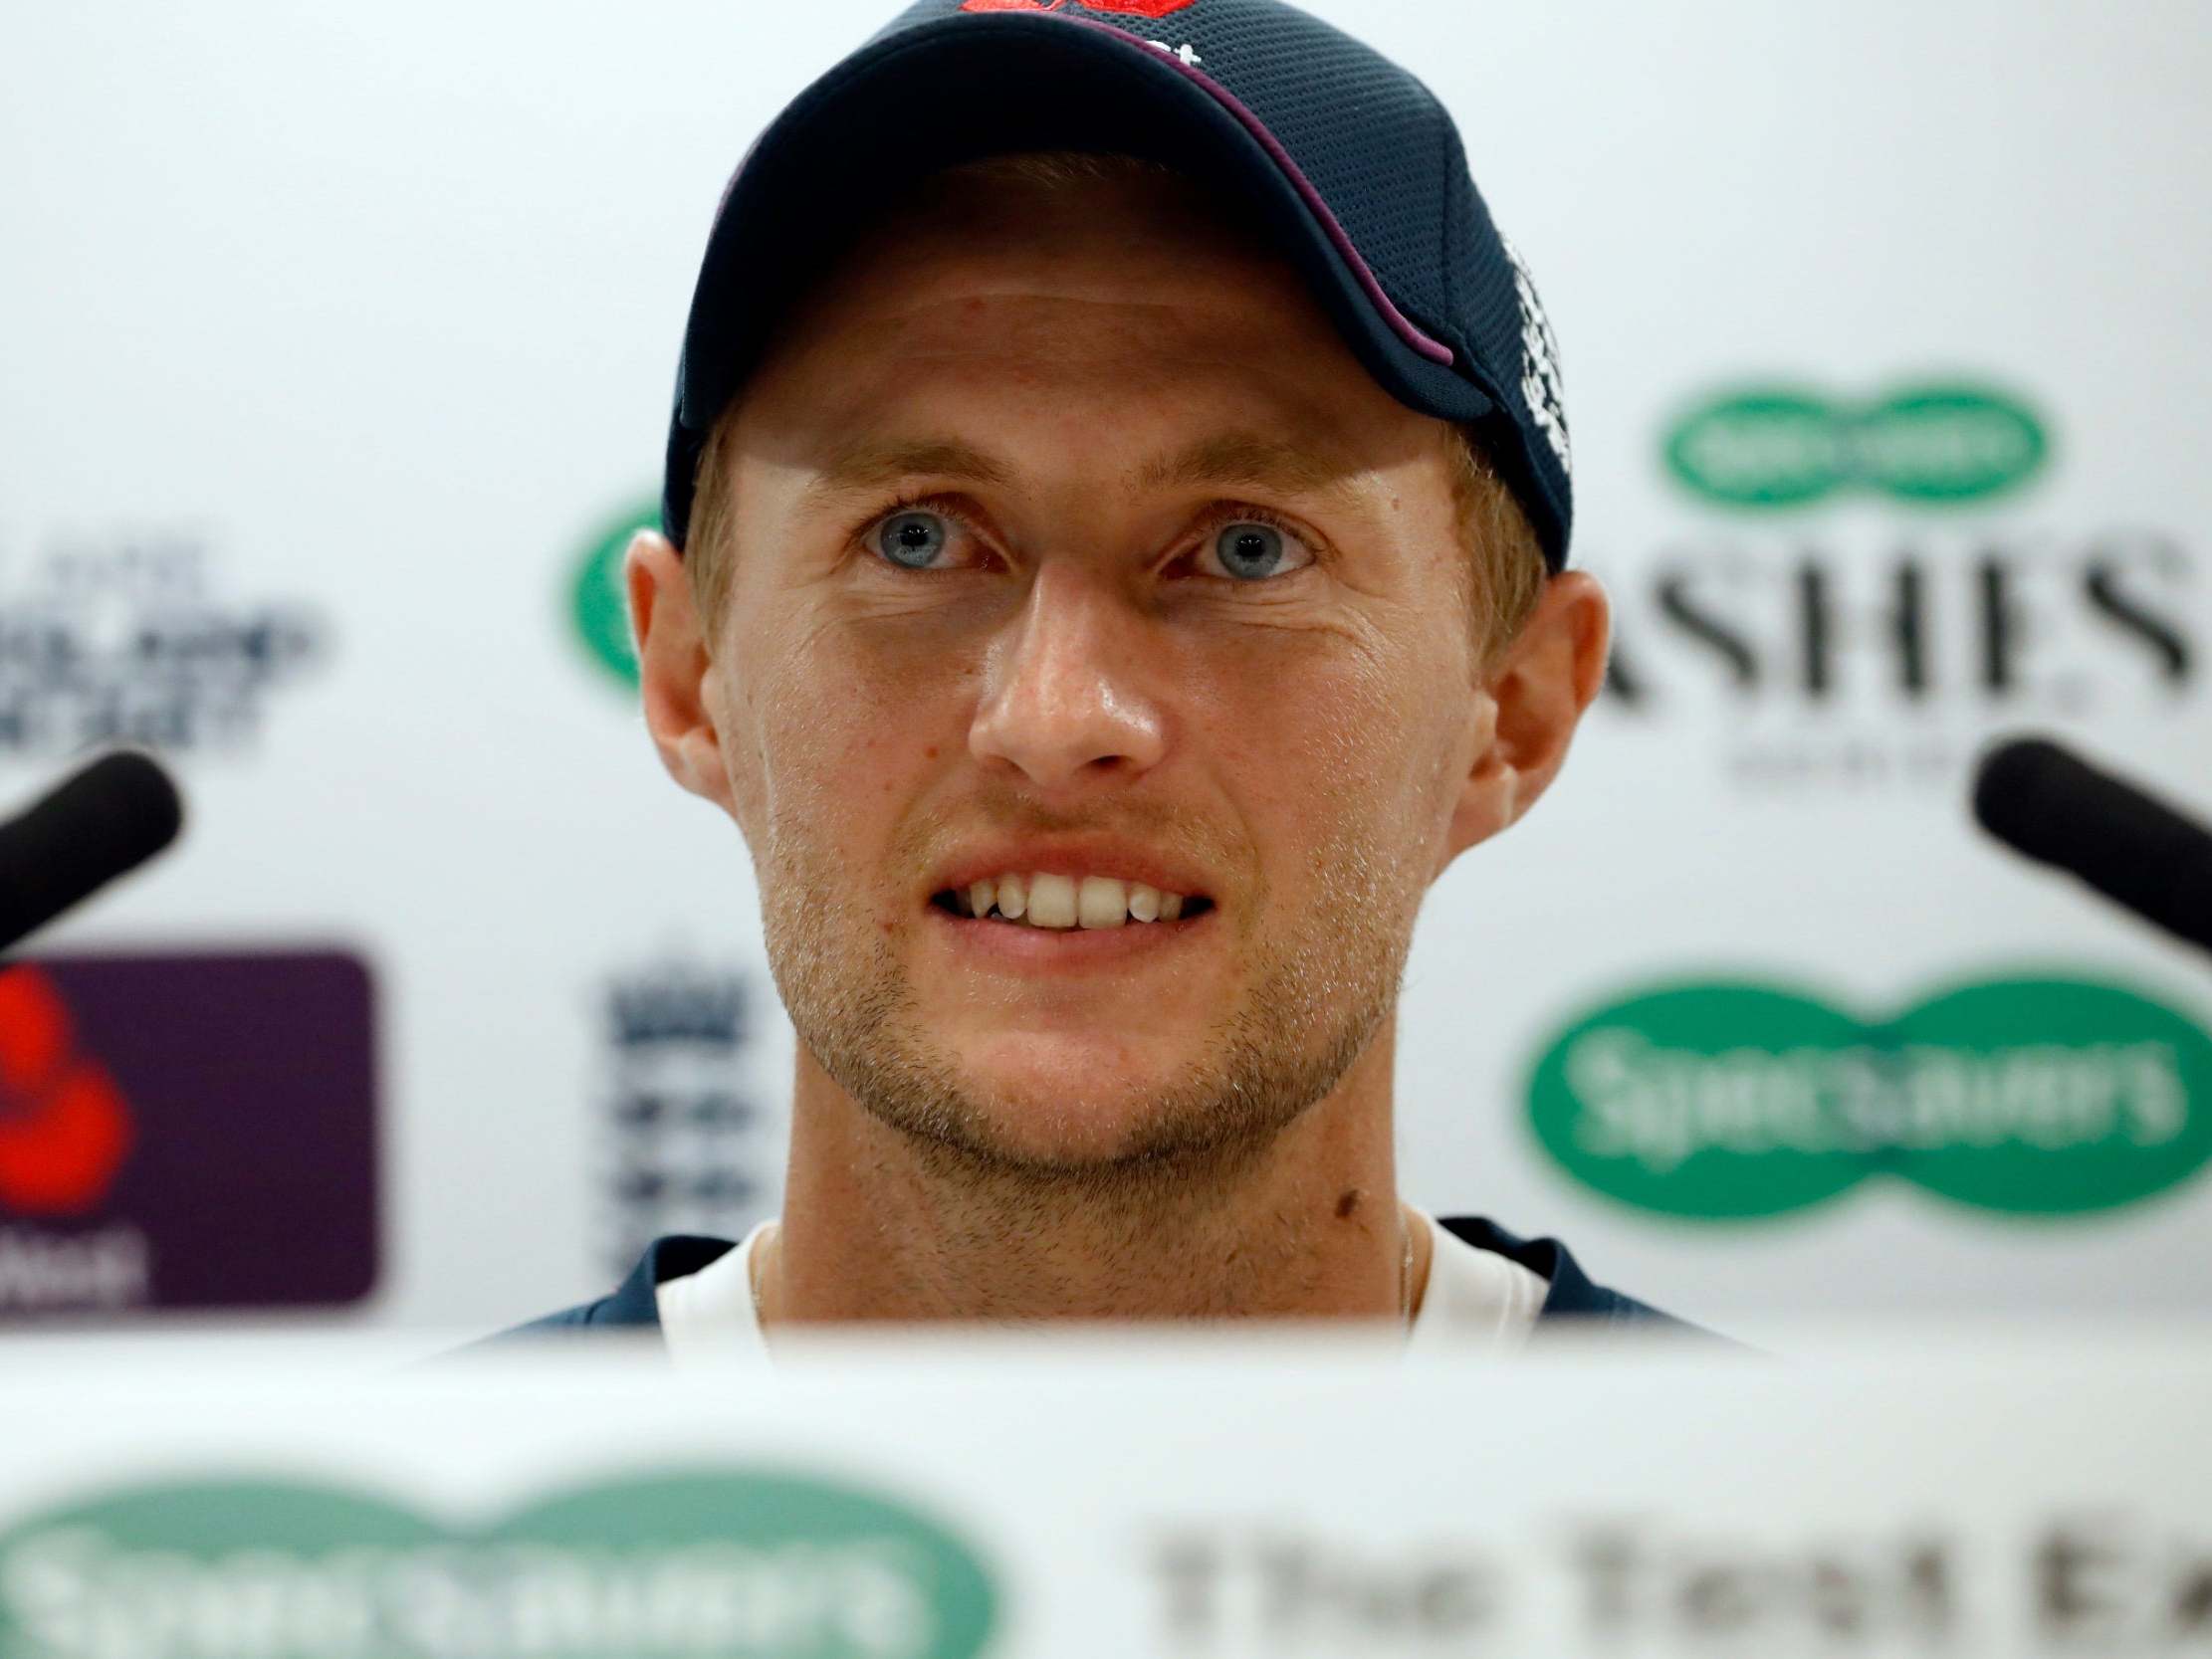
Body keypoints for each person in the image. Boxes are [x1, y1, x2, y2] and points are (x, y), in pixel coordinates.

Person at [505, 0, 1700, 1358]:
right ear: (688, 674)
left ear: (1518, 712)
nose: (1058, 719)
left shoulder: (1822, 1551)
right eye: (917, 537)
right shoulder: (397, 1561)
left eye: (1248, 550)